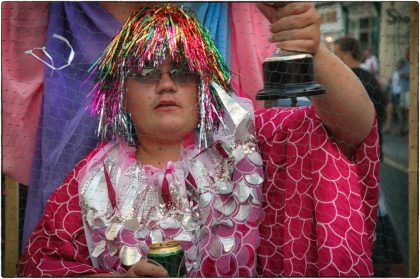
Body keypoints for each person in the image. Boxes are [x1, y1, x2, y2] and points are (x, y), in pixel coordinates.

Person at [18, 3, 379, 277]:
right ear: (121, 93)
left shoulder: (254, 144)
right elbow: (41, 265)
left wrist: (313, 50)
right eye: (146, 72)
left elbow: (353, 129)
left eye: (183, 71)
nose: (166, 84)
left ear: (205, 88)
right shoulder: (90, 182)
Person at [333, 36, 387, 160]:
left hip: (354, 151)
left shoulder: (346, 79)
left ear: (346, 55)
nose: (333, 57)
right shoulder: (370, 78)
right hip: (373, 146)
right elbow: (382, 110)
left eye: (336, 53)